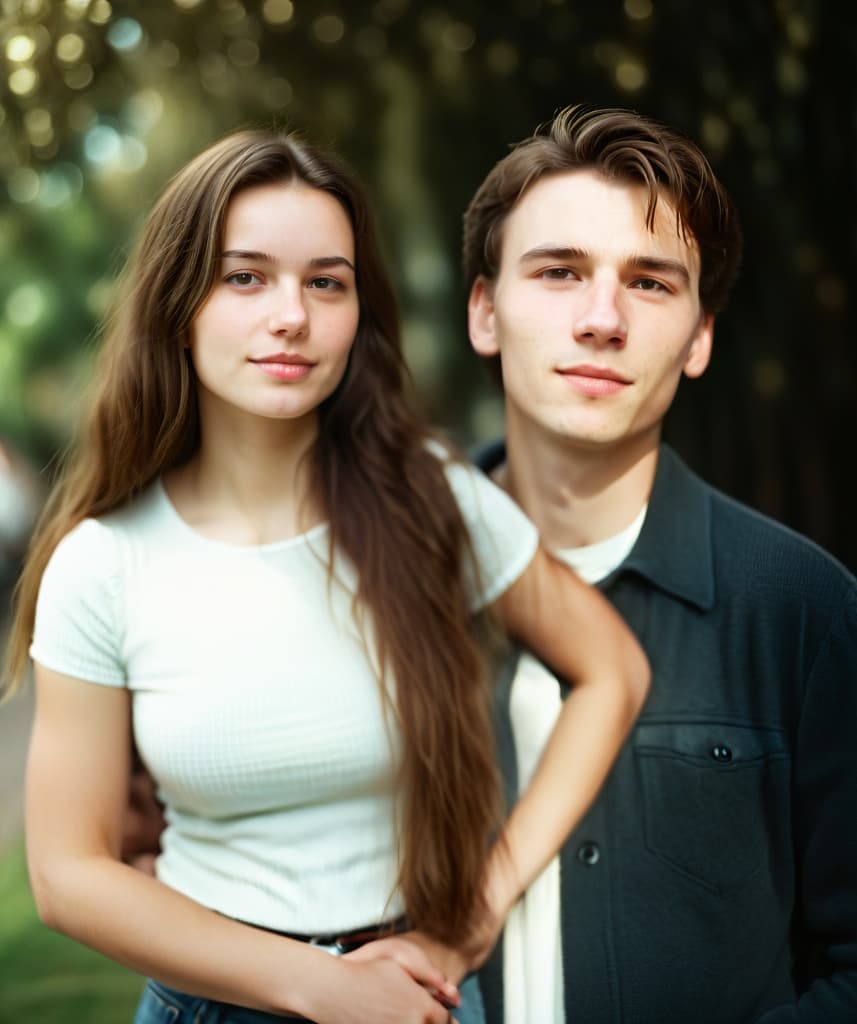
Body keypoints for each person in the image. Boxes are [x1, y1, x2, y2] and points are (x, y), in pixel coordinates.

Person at [1, 129, 651, 1024]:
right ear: (177, 301)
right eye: (245, 277)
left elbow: (613, 671)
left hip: (416, 989)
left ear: (358, 310)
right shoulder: (103, 564)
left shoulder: (432, 502)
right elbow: (67, 876)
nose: (291, 316)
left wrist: (476, 914)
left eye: (325, 282)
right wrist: (322, 989)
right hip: (215, 1004)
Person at [461, 105, 857, 1023]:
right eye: (560, 272)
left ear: (699, 339)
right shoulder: (361, 582)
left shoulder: (803, 610)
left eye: (650, 284)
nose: (601, 319)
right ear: (485, 312)